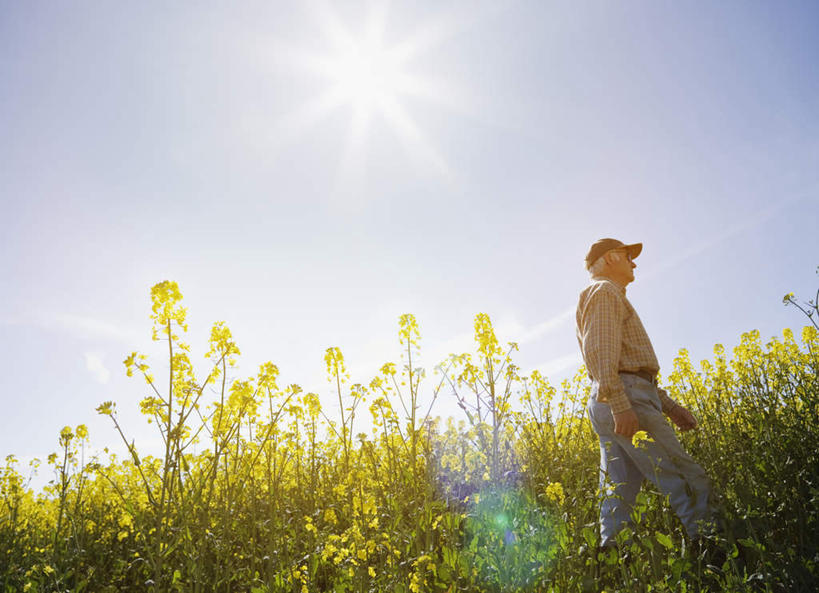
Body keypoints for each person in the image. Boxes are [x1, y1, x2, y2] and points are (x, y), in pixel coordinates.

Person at [576, 238, 717, 550]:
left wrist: (670, 407)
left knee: (619, 488)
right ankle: (708, 546)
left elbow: (631, 366)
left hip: (618, 396)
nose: (634, 263)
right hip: (624, 398)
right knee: (681, 472)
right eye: (629, 256)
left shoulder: (605, 295)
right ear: (611, 258)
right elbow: (601, 351)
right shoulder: (605, 292)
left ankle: (611, 560)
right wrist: (619, 404)